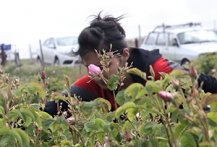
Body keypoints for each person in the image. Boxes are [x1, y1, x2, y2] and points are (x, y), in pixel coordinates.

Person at [43, 14, 217, 116]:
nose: (98, 75)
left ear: (124, 55)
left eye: (105, 65)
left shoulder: (158, 72)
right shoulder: (88, 86)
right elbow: (50, 110)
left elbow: (208, 84)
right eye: (92, 69)